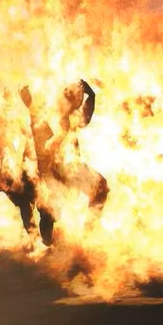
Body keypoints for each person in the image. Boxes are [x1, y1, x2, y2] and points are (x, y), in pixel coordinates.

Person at [21, 80, 109, 245]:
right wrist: (30, 104)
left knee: (100, 187)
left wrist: (91, 96)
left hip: (71, 167)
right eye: (72, 98)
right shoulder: (49, 118)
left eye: (77, 99)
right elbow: (40, 134)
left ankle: (88, 235)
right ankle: (46, 239)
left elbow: (84, 118)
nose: (76, 102)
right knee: (51, 210)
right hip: (53, 170)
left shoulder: (71, 117)